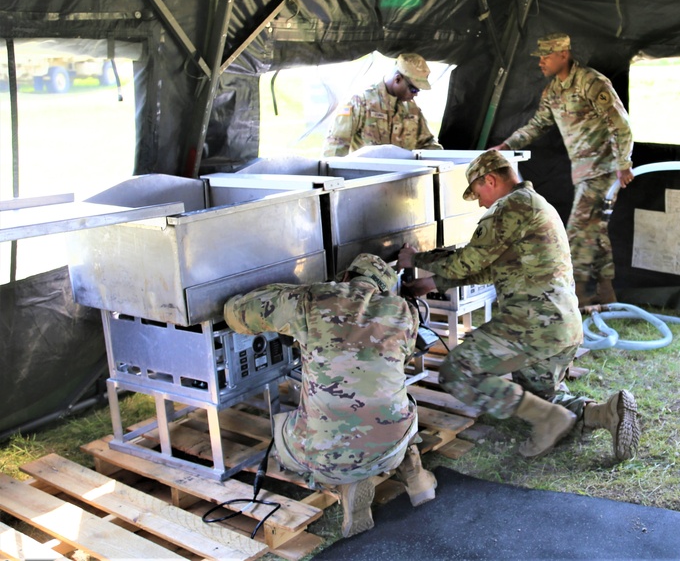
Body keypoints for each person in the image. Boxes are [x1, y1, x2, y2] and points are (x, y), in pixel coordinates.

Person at [396, 150, 640, 462]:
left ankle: (549, 419)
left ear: (490, 179)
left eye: (479, 194)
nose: (482, 203)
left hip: (533, 325)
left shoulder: (509, 207)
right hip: (562, 327)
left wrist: (414, 259)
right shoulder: (534, 205)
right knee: (542, 400)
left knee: (457, 371)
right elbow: (490, 269)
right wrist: (430, 284)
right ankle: (606, 412)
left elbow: (466, 262)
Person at [223, 254, 438, 538]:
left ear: (345, 277)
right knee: (396, 402)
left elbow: (235, 314)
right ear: (384, 289)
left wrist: (284, 295)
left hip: (326, 458)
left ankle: (345, 485)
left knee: (283, 428)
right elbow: (402, 356)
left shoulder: (313, 299)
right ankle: (415, 474)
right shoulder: (403, 312)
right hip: (391, 447)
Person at [491, 33, 634, 307]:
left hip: (603, 171)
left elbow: (621, 124)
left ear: (564, 55)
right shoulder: (554, 91)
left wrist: (623, 164)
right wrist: (507, 145)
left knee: (577, 232)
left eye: (546, 56)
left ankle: (576, 296)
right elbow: (537, 125)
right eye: (540, 57)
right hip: (583, 173)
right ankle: (606, 293)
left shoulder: (591, 82)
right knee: (595, 231)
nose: (541, 62)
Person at [323, 53, 444, 157]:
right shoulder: (360, 102)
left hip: (403, 181)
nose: (416, 95)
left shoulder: (412, 109)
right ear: (397, 79)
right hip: (368, 180)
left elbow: (428, 144)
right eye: (413, 89)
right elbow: (335, 148)